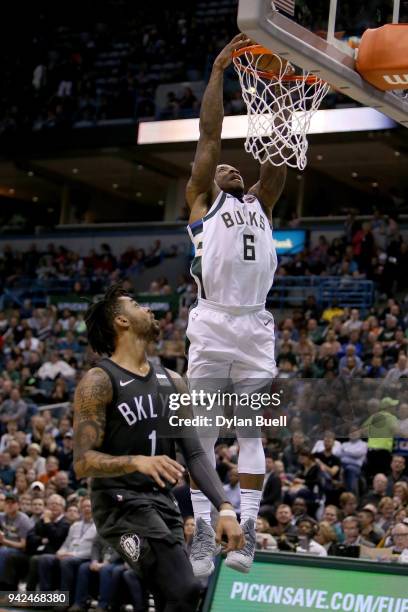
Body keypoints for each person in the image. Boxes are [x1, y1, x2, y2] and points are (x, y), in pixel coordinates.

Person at [73, 285, 244, 612]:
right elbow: (83, 463)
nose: (148, 309)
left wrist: (224, 507)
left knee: (174, 597)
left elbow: (194, 454)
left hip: (161, 505)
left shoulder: (173, 382)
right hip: (118, 504)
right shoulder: (99, 380)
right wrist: (136, 461)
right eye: (137, 303)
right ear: (121, 320)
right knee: (184, 587)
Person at [185, 34, 286, 576]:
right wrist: (220, 70)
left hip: (254, 327)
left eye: (233, 167)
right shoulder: (204, 199)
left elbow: (278, 166)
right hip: (213, 320)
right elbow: (209, 134)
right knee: (201, 432)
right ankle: (203, 530)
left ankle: (246, 532)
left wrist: (281, 95)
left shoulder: (261, 203)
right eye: (220, 168)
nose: (228, 168)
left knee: (250, 431)